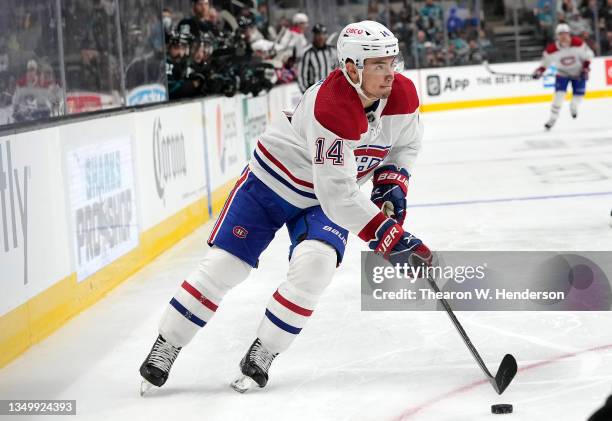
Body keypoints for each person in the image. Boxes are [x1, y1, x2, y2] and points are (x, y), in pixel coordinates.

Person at [139, 20, 430, 395]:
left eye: (392, 61)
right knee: (226, 266)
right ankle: (169, 343)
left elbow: (406, 144)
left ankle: (264, 352)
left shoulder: (403, 94)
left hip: (321, 198)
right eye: (378, 64)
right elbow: (339, 195)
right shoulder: (331, 106)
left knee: (316, 265)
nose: (390, 72)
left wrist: (392, 183)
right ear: (352, 68)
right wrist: (389, 238)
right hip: (271, 184)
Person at [533, 23, 594, 130]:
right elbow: (544, 64)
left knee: (578, 95)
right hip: (562, 74)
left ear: (569, 34)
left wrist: (585, 68)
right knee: (558, 97)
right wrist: (539, 71)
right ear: (557, 36)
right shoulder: (551, 49)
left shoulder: (578, 43)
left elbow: (589, 55)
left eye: (565, 34)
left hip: (578, 73)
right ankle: (552, 119)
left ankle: (573, 107)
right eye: (561, 34)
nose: (563, 36)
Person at [297, 23, 337, 93]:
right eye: (318, 34)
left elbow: (339, 70)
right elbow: (301, 76)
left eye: (323, 34)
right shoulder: (308, 54)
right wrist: (306, 93)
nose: (321, 37)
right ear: (314, 36)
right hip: (315, 93)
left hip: (332, 91)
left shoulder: (333, 51)